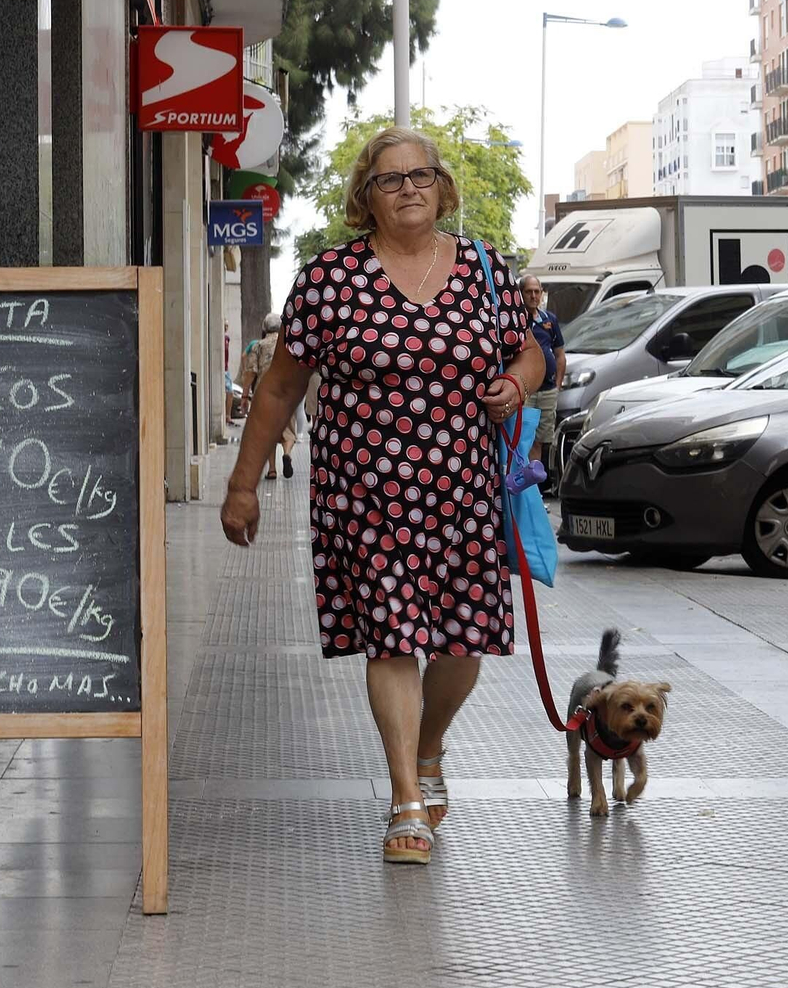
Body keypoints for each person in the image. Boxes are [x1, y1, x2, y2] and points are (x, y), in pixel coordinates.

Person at [219, 126, 545, 864]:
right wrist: (244, 483)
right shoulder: (328, 279)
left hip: (466, 489)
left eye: (421, 176)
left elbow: (531, 349)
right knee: (393, 633)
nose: (408, 190)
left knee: (464, 638)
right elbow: (279, 386)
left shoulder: (486, 269)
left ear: (444, 187)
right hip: (367, 493)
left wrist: (517, 380)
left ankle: (429, 747)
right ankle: (405, 796)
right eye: (391, 179)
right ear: (365, 196)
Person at [241, 313, 298, 479]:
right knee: (288, 431)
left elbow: (250, 372)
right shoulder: (288, 345)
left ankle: (272, 469)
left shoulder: (258, 346)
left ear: (264, 328)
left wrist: (245, 397)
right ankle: (286, 454)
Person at [520, 274, 565, 466]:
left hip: (547, 390)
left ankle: (534, 487)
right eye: (528, 291)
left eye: (536, 291)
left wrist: (557, 384)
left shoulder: (550, 320)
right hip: (525, 390)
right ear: (521, 294)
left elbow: (560, 354)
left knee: (539, 440)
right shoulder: (515, 319)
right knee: (523, 439)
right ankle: (521, 486)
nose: (533, 296)